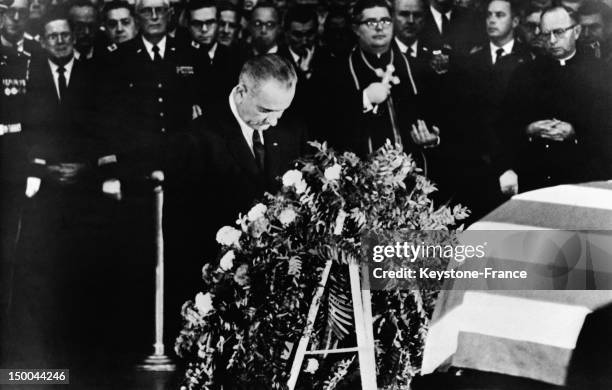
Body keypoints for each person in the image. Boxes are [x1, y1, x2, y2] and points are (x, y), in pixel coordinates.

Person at [165, 54, 309, 352]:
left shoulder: (290, 129)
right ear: (241, 91)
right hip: (216, 298)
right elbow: (181, 234)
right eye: (266, 110)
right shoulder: (196, 139)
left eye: (282, 110)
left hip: (272, 301)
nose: (274, 121)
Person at [6, 8, 120, 375]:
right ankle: (43, 357)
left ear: (74, 38)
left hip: (86, 188)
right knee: (42, 271)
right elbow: (23, 134)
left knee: (84, 269)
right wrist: (45, 168)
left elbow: (103, 130)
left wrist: (84, 167)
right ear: (42, 40)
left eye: (65, 35)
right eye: (52, 36)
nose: (59, 41)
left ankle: (84, 357)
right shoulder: (29, 76)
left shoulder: (94, 75)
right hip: (44, 188)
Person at [499, 5, 607, 194]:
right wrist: (529, 129)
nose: (552, 40)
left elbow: (607, 128)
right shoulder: (525, 73)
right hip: (536, 175)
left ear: (577, 31)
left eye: (559, 32)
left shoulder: (601, 73)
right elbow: (504, 124)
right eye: (546, 34)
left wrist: (575, 132)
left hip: (585, 176)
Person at [323, 0, 440, 162]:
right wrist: (364, 99)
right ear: (356, 29)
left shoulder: (419, 69)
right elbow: (325, 125)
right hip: (358, 178)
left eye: (385, 21)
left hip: (413, 175)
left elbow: (440, 121)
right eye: (371, 22)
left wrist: (433, 139)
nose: (379, 27)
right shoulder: (334, 72)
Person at [459, 0, 533, 219]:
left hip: (518, 165)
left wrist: (509, 166)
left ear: (515, 21)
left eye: (500, 15)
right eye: (489, 15)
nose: (492, 20)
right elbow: (468, 118)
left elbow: (524, 117)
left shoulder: (530, 59)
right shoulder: (470, 62)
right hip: (479, 165)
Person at [185, 0, 241, 110]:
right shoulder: (177, 55)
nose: (204, 29)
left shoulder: (235, 57)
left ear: (218, 23)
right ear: (188, 25)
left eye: (210, 22)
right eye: (197, 23)